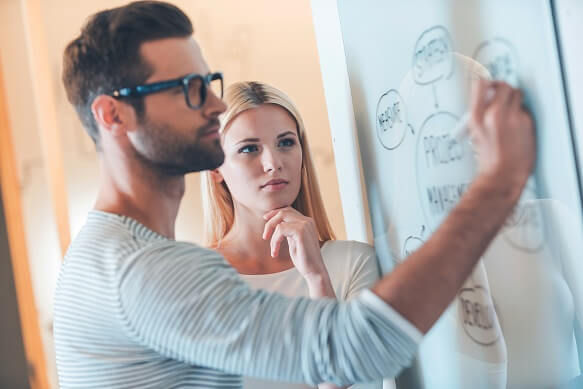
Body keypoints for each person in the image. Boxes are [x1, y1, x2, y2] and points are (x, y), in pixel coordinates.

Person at [53, 1, 536, 388]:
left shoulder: (105, 255)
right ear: (113, 116)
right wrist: (498, 182)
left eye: (210, 83)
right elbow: (355, 349)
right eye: (189, 88)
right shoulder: (142, 268)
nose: (217, 104)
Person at [201, 81, 383, 389]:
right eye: (248, 149)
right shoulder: (193, 279)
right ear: (215, 168)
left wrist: (317, 279)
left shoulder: (354, 264)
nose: (273, 164)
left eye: (286, 143)